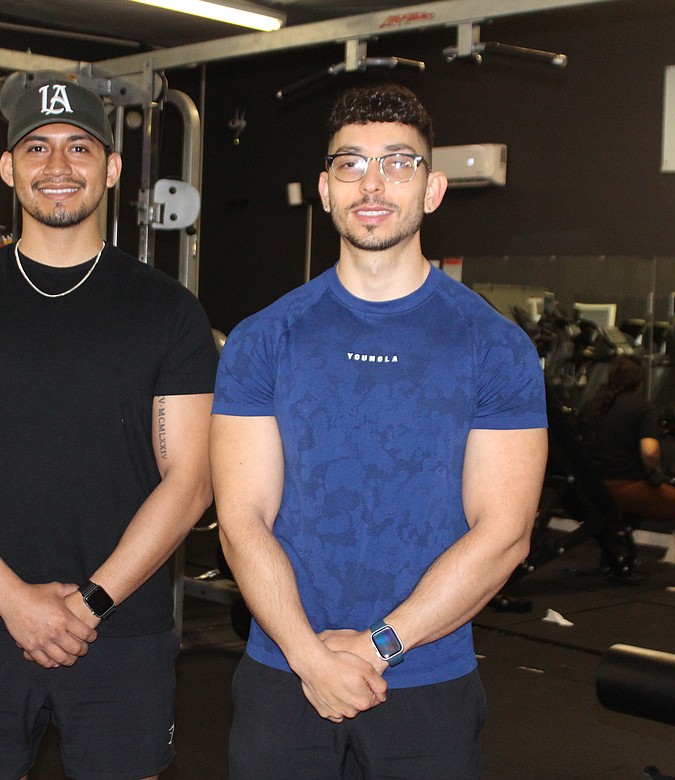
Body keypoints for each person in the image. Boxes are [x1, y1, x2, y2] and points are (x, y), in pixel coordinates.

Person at [210, 83, 549, 780]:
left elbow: (505, 532)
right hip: (284, 675)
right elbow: (241, 518)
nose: (373, 183)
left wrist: (373, 649)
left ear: (433, 189)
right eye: (350, 164)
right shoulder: (263, 339)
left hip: (428, 677)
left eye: (399, 163)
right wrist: (310, 656)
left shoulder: (493, 346)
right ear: (325, 190)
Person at [0, 76, 218, 780]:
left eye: (79, 148)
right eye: (36, 147)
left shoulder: (169, 311)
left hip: (122, 631)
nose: (58, 167)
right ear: (8, 168)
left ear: (113, 168)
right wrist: (13, 599)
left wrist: (90, 603)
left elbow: (190, 481)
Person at [581, 356, 675, 565]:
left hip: (592, 488)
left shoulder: (592, 404)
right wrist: (655, 472)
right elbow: (649, 452)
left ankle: (613, 557)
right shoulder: (643, 407)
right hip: (625, 487)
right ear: (641, 382)